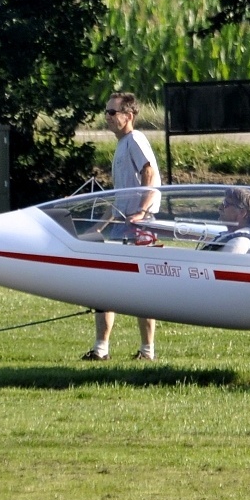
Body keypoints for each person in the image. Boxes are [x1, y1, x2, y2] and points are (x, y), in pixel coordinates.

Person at [81, 92, 163, 362]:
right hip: (122, 225)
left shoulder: (135, 139)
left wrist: (142, 211)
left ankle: (147, 350)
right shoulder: (120, 146)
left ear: (129, 116)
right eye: (106, 112)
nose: (107, 117)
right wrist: (98, 228)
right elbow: (118, 200)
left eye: (112, 112)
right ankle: (101, 349)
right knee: (106, 285)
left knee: (142, 290)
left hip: (140, 226)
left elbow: (149, 174)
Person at [213, 187, 250, 253]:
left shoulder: (238, 243)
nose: (220, 208)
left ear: (242, 213)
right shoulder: (231, 237)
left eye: (225, 204)